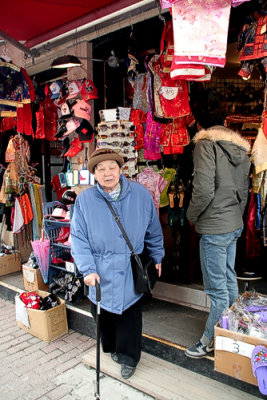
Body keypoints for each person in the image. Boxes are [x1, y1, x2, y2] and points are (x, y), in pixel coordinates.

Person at [71, 148, 164, 378]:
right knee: (103, 315)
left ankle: (129, 357)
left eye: (112, 167)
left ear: (120, 169)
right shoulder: (84, 201)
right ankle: (111, 348)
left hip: (129, 268)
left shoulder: (141, 195)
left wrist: (157, 255)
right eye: (100, 169)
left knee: (129, 314)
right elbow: (78, 239)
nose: (107, 173)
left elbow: (153, 229)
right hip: (99, 270)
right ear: (94, 173)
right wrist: (88, 269)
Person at [185, 125, 251, 359]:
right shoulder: (241, 150)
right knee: (228, 277)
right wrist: (235, 217)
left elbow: (203, 189)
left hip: (215, 227)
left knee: (217, 290)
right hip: (233, 223)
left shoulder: (205, 145)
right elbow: (244, 192)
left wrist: (191, 215)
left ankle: (208, 341)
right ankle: (232, 331)